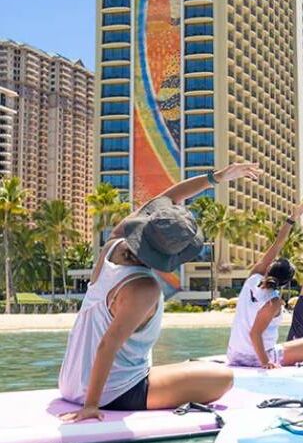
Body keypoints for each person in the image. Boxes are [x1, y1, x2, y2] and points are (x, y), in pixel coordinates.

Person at [58, 164, 261, 422]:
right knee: (224, 378)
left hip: (70, 382)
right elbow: (107, 345)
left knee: (193, 367)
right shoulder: (144, 288)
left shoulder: (113, 245)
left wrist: (217, 177)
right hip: (112, 392)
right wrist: (91, 406)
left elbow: (168, 197)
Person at [226, 200, 303, 368]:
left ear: (269, 268)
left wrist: (293, 217)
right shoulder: (274, 301)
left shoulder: (252, 278)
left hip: (234, 355)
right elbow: (255, 333)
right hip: (257, 358)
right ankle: (271, 358)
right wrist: (266, 363)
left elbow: (277, 244)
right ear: (285, 283)